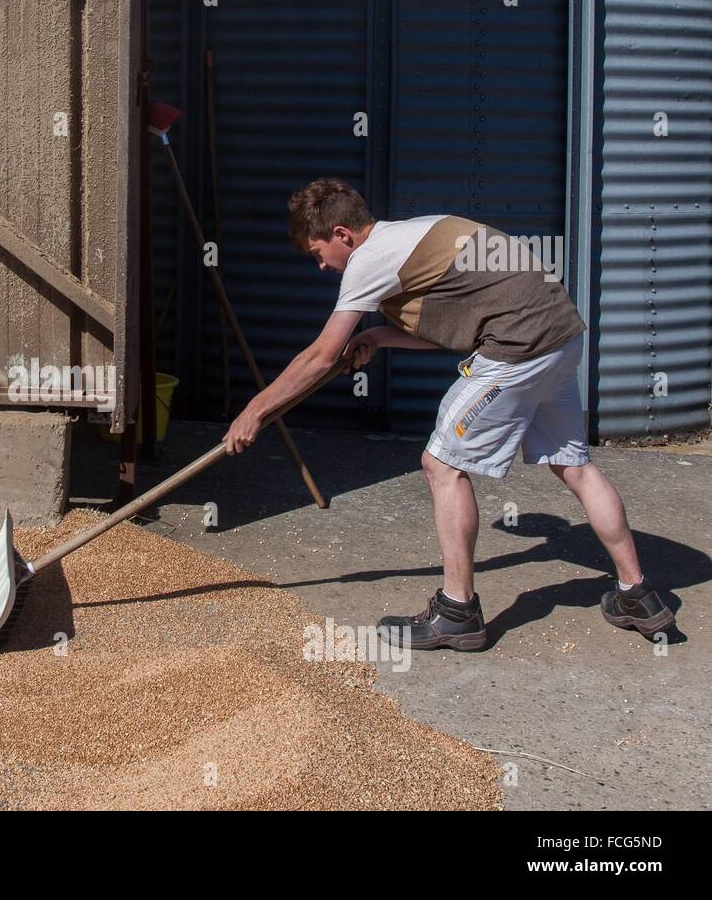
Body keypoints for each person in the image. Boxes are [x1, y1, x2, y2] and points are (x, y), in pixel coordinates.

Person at [222, 178, 674, 650]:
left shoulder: (368, 260)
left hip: (519, 349)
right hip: (561, 337)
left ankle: (457, 612)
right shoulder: (417, 233)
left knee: (442, 465)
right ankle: (635, 592)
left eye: (318, 253)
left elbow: (321, 355)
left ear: (342, 235)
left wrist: (255, 411)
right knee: (574, 465)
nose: (320, 266)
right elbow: (463, 329)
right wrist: (378, 338)